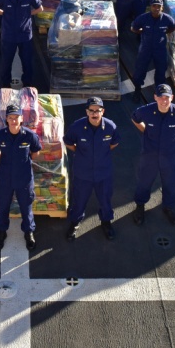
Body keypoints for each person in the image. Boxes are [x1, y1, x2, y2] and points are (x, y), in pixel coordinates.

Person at [132, 84, 175, 226]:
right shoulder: (146, 111)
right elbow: (135, 118)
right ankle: (140, 206)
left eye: (167, 97)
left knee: (170, 183)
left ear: (172, 97)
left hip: (169, 156)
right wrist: (145, 130)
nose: (164, 101)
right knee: (144, 182)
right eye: (160, 97)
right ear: (155, 98)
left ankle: (168, 207)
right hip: (150, 156)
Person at [65, 97, 120, 241]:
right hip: (83, 172)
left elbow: (114, 143)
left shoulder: (110, 127)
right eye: (91, 110)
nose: (94, 113)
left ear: (103, 111)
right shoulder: (77, 127)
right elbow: (69, 142)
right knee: (79, 200)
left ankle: (106, 222)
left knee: (105, 199)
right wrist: (80, 152)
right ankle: (75, 222)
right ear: (87, 112)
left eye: (98, 110)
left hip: (103, 172)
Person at [0, 104, 41, 250]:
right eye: (10, 118)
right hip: (5, 177)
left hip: (24, 177)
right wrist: (2, 156)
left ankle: (29, 232)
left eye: (16, 117)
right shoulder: (0, 136)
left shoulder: (30, 136)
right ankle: (1, 231)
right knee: (3, 205)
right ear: (6, 119)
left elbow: (36, 152)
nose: (13, 120)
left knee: (26, 206)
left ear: (21, 118)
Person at [0, 0, 42, 88]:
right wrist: (3, 13)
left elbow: (40, 8)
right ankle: (5, 85)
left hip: (25, 36)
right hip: (8, 36)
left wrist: (29, 14)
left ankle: (27, 84)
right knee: (6, 62)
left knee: (27, 61)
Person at [130, 0, 175, 101]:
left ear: (162, 8)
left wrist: (165, 32)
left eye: (158, 6)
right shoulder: (143, 18)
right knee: (140, 70)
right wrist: (141, 32)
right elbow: (133, 27)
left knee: (161, 70)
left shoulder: (167, 19)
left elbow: (173, 26)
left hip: (160, 49)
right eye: (154, 6)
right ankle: (137, 89)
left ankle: (159, 91)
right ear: (150, 7)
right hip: (145, 48)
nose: (156, 8)